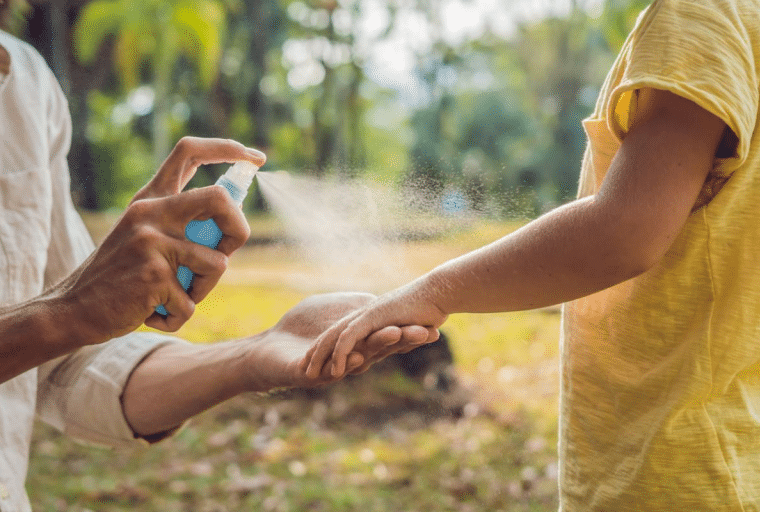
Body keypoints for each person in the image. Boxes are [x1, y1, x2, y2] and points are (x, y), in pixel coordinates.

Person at [303, 0, 760, 509]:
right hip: (739, 443)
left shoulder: (703, 11)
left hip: (678, 461)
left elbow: (626, 229)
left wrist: (434, 292)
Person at [0, 21, 438, 512]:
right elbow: (59, 323)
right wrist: (69, 312)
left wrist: (251, 356)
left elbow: (66, 364)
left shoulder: (28, 87)